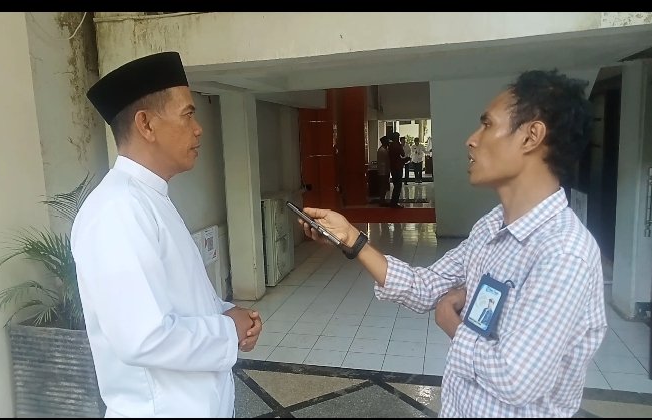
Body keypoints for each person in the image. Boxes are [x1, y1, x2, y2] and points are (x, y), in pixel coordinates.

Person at [295, 69, 606, 417]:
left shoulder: (563, 253)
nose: (471, 140)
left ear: (531, 136)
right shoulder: (491, 227)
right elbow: (426, 287)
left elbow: (516, 379)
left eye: (487, 125)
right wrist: (353, 240)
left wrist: (451, 322)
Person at [71, 51, 263, 418]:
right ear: (146, 124)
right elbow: (144, 337)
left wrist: (228, 313)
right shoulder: (118, 210)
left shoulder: (148, 198)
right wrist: (227, 330)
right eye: (188, 114)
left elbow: (177, 302)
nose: (198, 128)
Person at [376, 135, 390, 206]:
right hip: (383, 171)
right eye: (387, 141)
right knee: (383, 186)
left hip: (384, 170)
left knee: (384, 186)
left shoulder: (384, 149)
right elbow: (387, 161)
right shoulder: (383, 150)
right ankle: (382, 201)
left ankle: (382, 200)